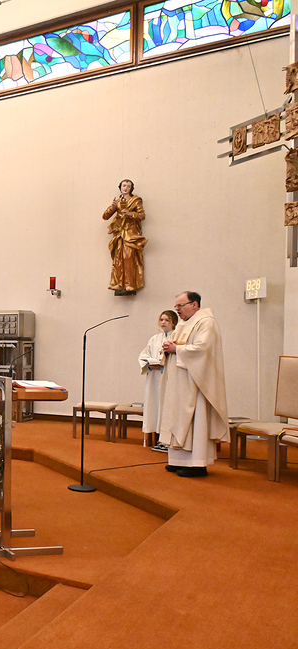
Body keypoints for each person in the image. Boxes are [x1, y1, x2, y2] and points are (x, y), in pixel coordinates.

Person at [159, 291, 229, 478]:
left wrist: (177, 349)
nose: (177, 309)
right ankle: (178, 460)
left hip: (196, 382)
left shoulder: (206, 322)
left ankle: (197, 464)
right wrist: (168, 348)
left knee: (196, 420)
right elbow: (176, 346)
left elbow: (202, 349)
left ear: (195, 304)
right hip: (180, 382)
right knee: (177, 418)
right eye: (176, 306)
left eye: (180, 305)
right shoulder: (183, 323)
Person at [139, 310, 178, 450]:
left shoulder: (177, 338)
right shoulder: (155, 339)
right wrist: (149, 364)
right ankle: (160, 438)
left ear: (173, 322)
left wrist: (162, 364)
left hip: (169, 378)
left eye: (167, 320)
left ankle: (169, 440)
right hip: (154, 379)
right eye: (161, 319)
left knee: (168, 407)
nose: (163, 322)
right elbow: (144, 355)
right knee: (156, 406)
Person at [103, 179, 147, 293]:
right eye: (124, 186)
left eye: (128, 186)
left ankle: (130, 283)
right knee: (118, 258)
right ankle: (119, 282)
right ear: (120, 187)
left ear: (131, 188)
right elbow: (105, 216)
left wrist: (130, 214)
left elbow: (142, 215)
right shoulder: (118, 202)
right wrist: (112, 207)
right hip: (119, 233)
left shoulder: (136, 200)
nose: (125, 188)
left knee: (129, 257)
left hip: (130, 233)